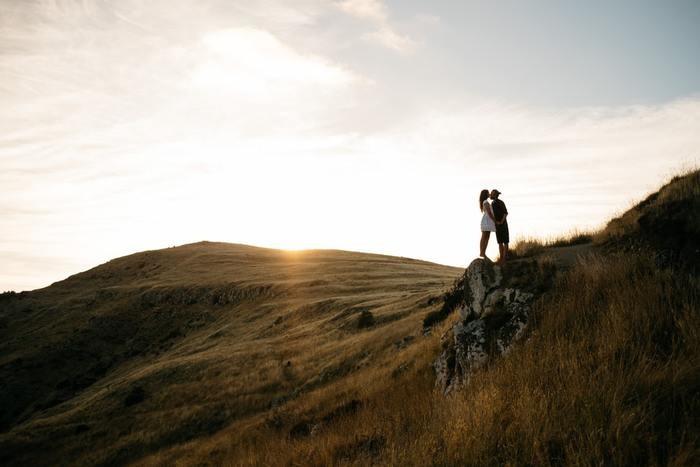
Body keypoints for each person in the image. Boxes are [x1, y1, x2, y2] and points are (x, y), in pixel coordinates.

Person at [490, 189, 509, 264]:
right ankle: (501, 258)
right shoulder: (492, 203)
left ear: (495, 195)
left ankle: (504, 259)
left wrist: (501, 221)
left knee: (505, 241)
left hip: (503, 224)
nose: (491, 195)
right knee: (500, 242)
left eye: (492, 194)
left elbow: (505, 213)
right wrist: (495, 222)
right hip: (496, 225)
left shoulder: (500, 202)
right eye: (491, 193)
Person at [479, 189, 496, 259]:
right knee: (484, 236)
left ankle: (483, 252)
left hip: (488, 221)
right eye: (488, 193)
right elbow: (489, 213)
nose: (489, 194)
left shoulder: (486, 202)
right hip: (486, 221)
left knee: (487, 237)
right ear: (485, 194)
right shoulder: (485, 202)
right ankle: (482, 252)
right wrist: (495, 220)